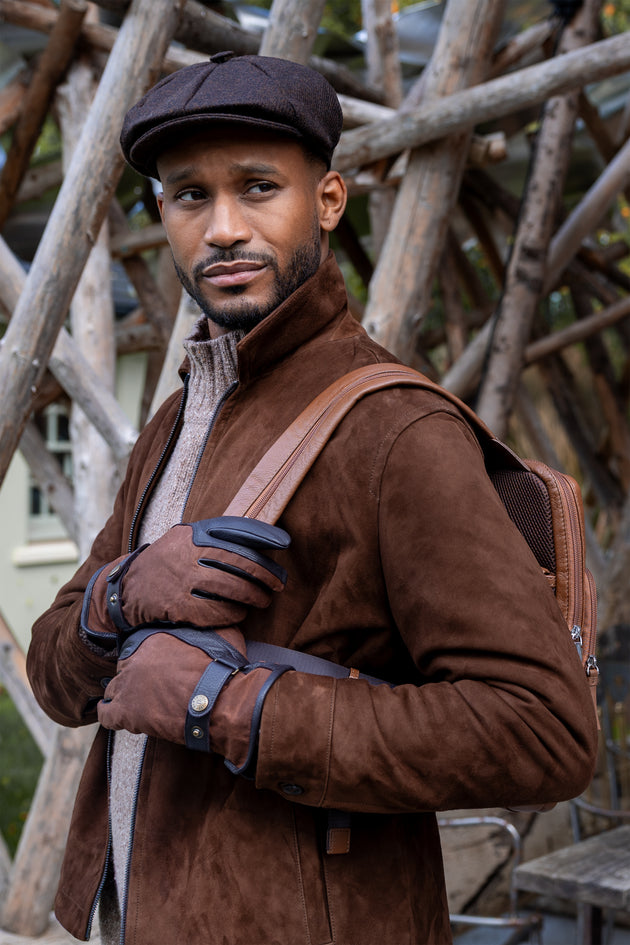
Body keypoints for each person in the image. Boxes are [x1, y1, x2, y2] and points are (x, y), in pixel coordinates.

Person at [27, 52, 598, 945]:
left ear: (327, 201)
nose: (221, 229)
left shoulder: (395, 431)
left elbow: (545, 731)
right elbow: (56, 676)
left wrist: (226, 706)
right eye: (188, 196)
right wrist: (121, 592)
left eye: (258, 187)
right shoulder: (179, 418)